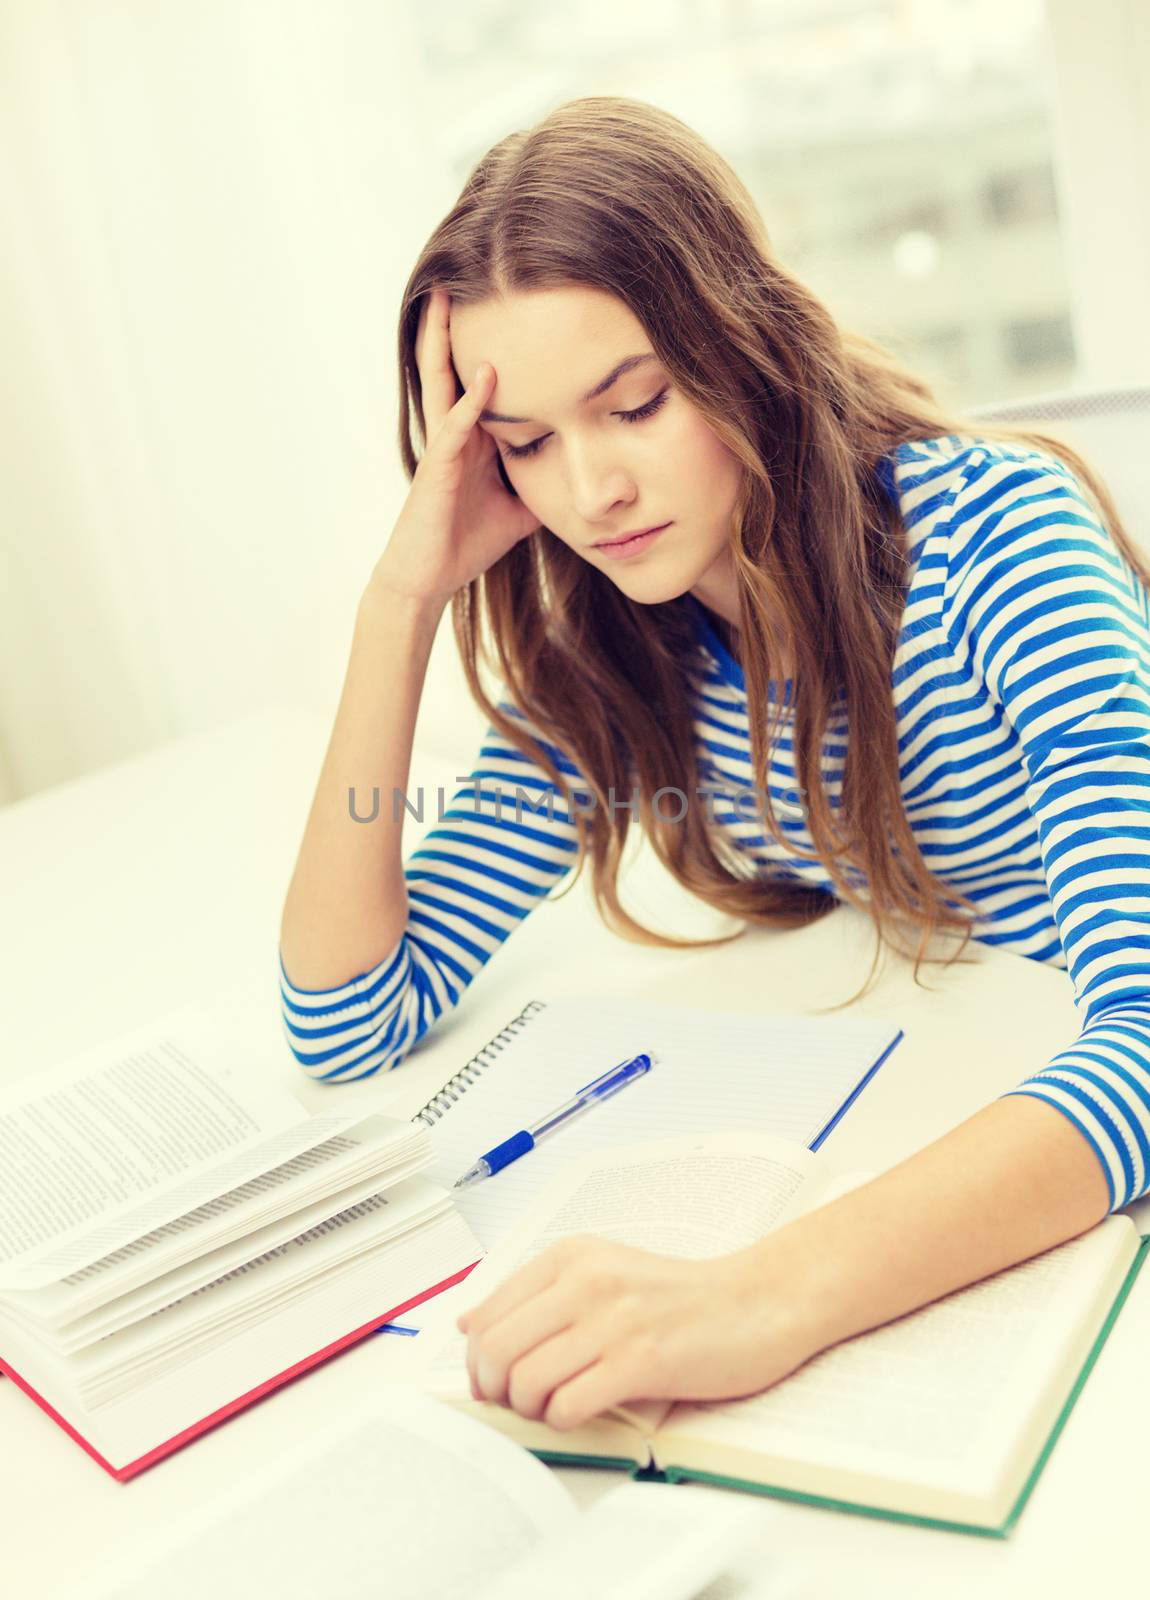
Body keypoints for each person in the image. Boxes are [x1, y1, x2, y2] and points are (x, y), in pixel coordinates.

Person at [278, 96, 1150, 1434]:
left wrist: (762, 1298)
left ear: (741, 344)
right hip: (978, 1050)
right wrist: (398, 604)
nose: (590, 493)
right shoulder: (627, 655)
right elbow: (347, 1019)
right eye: (523, 447)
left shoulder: (1001, 548)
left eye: (633, 404)